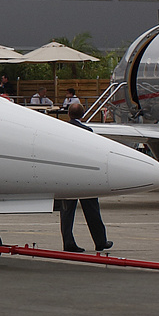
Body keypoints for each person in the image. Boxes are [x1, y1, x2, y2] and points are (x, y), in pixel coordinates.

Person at [59, 102, 112, 253]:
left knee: (67, 212)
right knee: (92, 210)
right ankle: (100, 241)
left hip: (67, 177)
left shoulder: (61, 130)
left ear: (68, 114)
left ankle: (68, 242)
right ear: (82, 115)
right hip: (84, 177)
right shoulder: (87, 130)